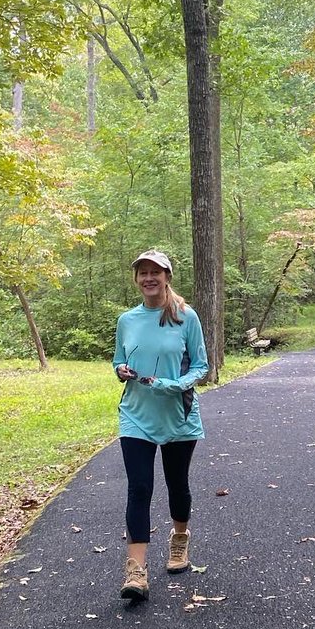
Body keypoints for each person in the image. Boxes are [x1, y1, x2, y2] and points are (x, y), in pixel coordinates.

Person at [112, 250, 208, 600]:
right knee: (139, 488)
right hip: (135, 414)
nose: (149, 278)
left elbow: (201, 366)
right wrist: (120, 369)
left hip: (177, 415)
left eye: (156, 272)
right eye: (143, 273)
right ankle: (136, 572)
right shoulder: (127, 319)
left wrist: (177, 384)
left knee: (177, 485)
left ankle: (179, 540)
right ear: (136, 279)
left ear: (167, 276)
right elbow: (118, 359)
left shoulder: (187, 317)